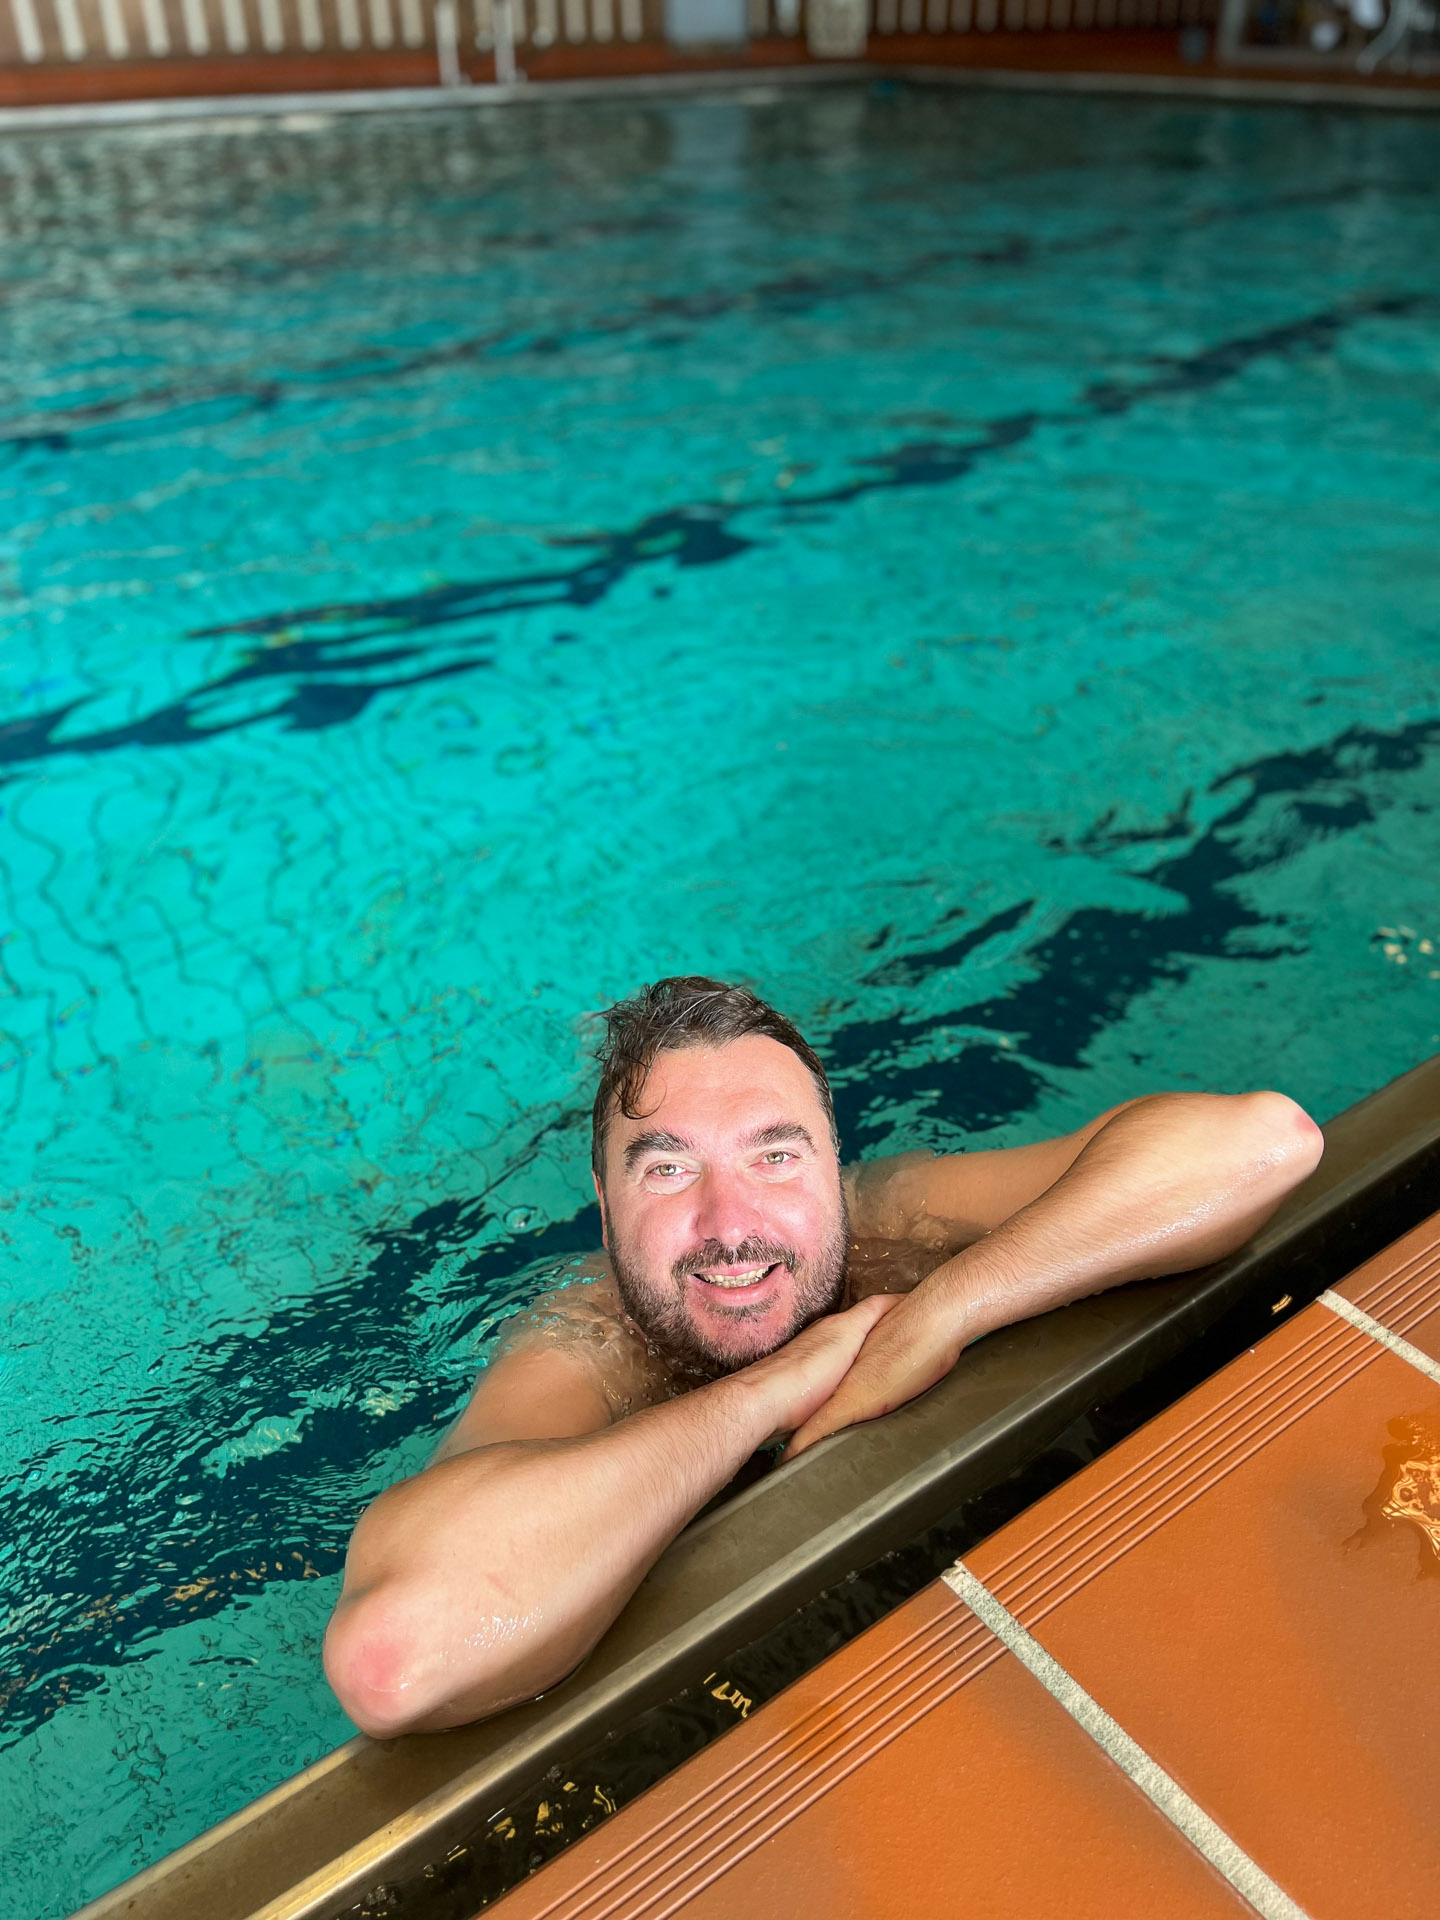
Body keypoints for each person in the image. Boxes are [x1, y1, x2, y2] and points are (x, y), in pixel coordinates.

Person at [324, 975, 1323, 1739]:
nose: (730, 1224)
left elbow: (1261, 1143)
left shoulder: (888, 1221)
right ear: (601, 1192)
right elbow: (398, 1656)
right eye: (668, 1168)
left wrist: (946, 1310)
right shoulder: (585, 1340)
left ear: (833, 1161)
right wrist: (773, 1390)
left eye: (775, 1154)